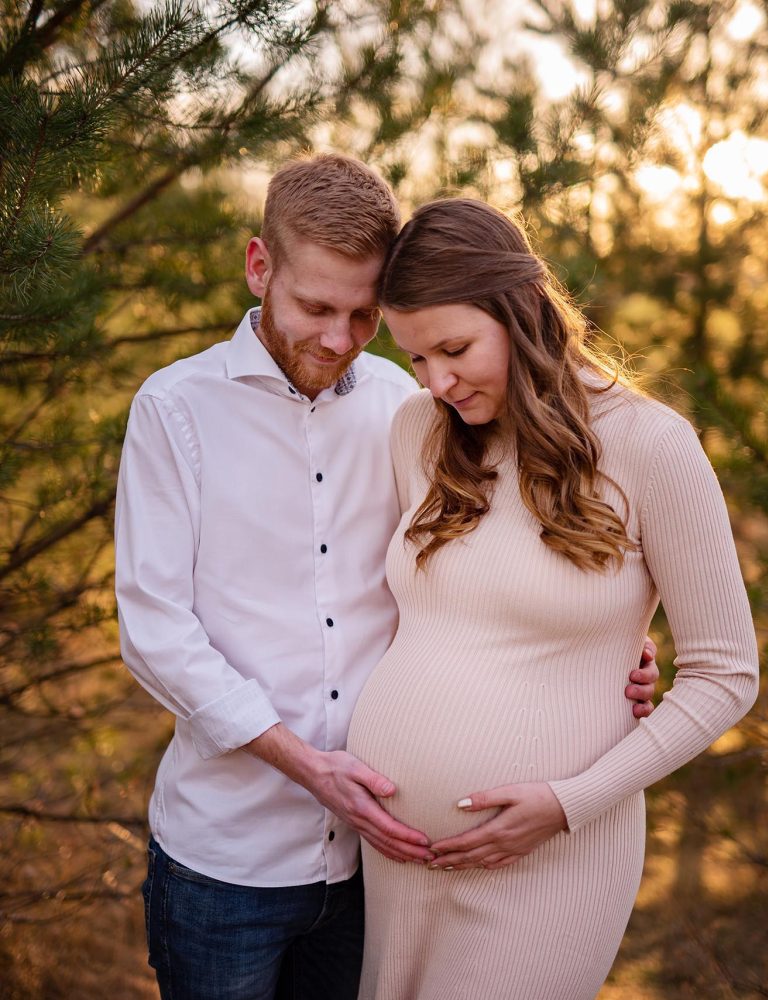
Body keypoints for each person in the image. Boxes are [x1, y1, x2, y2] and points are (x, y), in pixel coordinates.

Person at [114, 155, 660, 1000]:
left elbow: (482, 569)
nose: (339, 339)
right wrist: (304, 764)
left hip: (382, 866)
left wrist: (606, 638)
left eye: (364, 314)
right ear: (260, 267)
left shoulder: (409, 407)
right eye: (315, 307)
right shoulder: (175, 408)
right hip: (226, 862)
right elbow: (155, 630)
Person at [347, 198, 759, 1000]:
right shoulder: (417, 433)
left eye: (455, 349)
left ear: (524, 306)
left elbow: (725, 674)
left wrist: (567, 804)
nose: (437, 382)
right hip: (397, 858)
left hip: (553, 858)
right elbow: (452, 620)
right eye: (416, 359)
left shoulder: (651, 446)